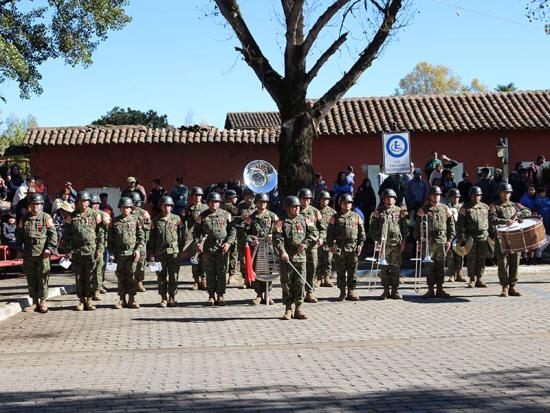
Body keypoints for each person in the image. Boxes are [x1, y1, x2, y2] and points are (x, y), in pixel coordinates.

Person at [272, 196, 318, 320]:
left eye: (298, 206)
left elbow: (314, 233)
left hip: (300, 257)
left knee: (300, 283)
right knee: (286, 283)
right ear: (287, 208)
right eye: (294, 206)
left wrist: (305, 243)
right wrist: (282, 252)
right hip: (286, 258)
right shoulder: (281, 222)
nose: (297, 208)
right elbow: (277, 238)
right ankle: (288, 308)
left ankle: (298, 308)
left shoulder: (305, 220)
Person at [63, 191, 106, 311]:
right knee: (79, 277)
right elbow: (66, 234)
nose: (84, 203)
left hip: (91, 250)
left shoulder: (95, 215)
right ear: (77, 203)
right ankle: (81, 300)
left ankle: (89, 300)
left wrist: (100, 249)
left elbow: (101, 233)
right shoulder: (72, 216)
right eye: (81, 201)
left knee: (90, 277)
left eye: (86, 201)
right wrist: (67, 249)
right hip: (77, 251)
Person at [15, 193, 57, 313]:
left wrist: (49, 248)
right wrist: (18, 249)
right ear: (29, 206)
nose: (35, 207)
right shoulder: (24, 218)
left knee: (43, 278)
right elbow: (19, 234)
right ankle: (34, 302)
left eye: (38, 204)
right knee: (31, 278)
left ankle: (43, 301)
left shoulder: (46, 217)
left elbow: (53, 234)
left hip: (42, 254)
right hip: (28, 254)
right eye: (33, 204)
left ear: (42, 205)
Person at [194, 192, 236, 306]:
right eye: (212, 202)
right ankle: (211, 295)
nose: (214, 204)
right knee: (210, 273)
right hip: (208, 248)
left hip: (222, 248)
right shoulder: (202, 216)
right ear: (208, 203)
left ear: (219, 203)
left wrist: (228, 243)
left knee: (222, 272)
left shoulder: (226, 215)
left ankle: (220, 295)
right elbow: (196, 232)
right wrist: (198, 243)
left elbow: (232, 231)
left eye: (216, 202)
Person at [489, 183, 531, 297]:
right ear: (500, 193)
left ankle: (512, 286)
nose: (506, 195)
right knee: (502, 263)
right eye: (504, 192)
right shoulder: (494, 205)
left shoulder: (515, 205)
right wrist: (504, 221)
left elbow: (527, 211)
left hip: (515, 237)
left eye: (508, 192)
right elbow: (491, 218)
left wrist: (517, 214)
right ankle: (504, 287)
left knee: (515, 262)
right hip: (501, 238)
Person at [415, 186, 455, 298]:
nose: (436, 197)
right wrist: (419, 241)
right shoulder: (423, 209)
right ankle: (430, 289)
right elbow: (418, 227)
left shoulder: (445, 208)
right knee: (429, 266)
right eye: (434, 195)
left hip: (442, 241)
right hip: (428, 241)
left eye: (438, 195)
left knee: (440, 265)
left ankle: (440, 289)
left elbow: (451, 225)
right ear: (430, 196)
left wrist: (449, 240)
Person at [369, 189, 407, 299]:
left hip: (396, 243)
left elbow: (404, 227)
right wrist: (377, 240)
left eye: (392, 198)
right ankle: (385, 290)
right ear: (384, 199)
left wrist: (404, 241)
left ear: (395, 200)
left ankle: (395, 290)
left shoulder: (400, 211)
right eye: (388, 197)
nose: (390, 200)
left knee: (396, 267)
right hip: (383, 243)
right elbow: (372, 228)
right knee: (384, 268)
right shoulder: (378, 211)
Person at [327, 193, 365, 301]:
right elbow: (329, 233)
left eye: (349, 203)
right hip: (340, 248)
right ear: (340, 204)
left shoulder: (356, 217)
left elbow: (362, 233)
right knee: (341, 271)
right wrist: (331, 246)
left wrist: (360, 245)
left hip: (353, 248)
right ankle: (342, 292)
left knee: (353, 270)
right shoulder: (335, 217)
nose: (347, 205)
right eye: (345, 203)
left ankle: (351, 291)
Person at [109, 197, 145, 309]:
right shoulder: (115, 221)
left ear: (131, 209)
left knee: (132, 276)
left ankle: (132, 299)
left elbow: (141, 237)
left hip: (132, 254)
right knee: (121, 277)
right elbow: (110, 239)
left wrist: (138, 249)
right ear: (120, 208)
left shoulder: (135, 220)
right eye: (123, 207)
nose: (125, 209)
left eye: (128, 207)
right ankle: (122, 299)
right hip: (119, 254)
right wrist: (111, 252)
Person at [244, 192, 279, 305]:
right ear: (256, 203)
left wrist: (272, 236)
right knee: (257, 270)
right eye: (260, 202)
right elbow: (245, 233)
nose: (263, 204)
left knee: (269, 270)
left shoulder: (273, 216)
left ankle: (268, 294)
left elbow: (279, 231)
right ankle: (259, 294)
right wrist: (251, 241)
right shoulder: (251, 217)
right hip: (256, 249)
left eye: (264, 202)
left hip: (269, 247)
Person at [149, 196, 184, 307]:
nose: (167, 208)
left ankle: (172, 298)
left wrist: (181, 251)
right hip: (160, 253)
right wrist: (151, 254)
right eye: (165, 205)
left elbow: (182, 236)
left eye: (169, 206)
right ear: (161, 207)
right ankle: (163, 298)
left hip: (174, 252)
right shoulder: (155, 220)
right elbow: (151, 238)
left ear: (172, 207)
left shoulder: (177, 219)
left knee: (174, 276)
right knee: (161, 276)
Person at [456, 186, 490, 288]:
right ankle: (471, 279)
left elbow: (490, 221)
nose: (477, 197)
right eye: (475, 195)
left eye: (479, 195)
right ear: (471, 196)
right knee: (471, 258)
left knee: (481, 258)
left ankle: (479, 278)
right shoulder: (465, 208)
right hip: (470, 236)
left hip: (483, 236)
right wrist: (460, 237)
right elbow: (460, 224)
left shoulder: (485, 207)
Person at [298, 188, 326, 303]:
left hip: (312, 246)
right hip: (299, 246)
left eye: (308, 199)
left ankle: (310, 292)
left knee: (312, 268)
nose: (306, 201)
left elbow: (322, 227)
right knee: (299, 269)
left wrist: (321, 238)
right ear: (300, 199)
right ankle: (300, 292)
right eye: (304, 198)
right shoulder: (295, 210)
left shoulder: (315, 212)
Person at [182, 187, 208, 290]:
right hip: (194, 237)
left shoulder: (206, 207)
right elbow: (182, 222)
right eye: (195, 195)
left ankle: (204, 279)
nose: (197, 197)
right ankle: (196, 280)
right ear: (192, 197)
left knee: (205, 258)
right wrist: (184, 233)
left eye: (199, 195)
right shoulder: (188, 209)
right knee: (195, 258)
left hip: (205, 237)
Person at [130, 192, 151, 293]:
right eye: (135, 202)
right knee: (130, 262)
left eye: (137, 202)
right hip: (130, 241)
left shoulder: (143, 213)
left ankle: (139, 282)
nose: (136, 204)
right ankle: (131, 282)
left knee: (141, 262)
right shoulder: (126, 211)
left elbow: (148, 227)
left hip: (142, 241)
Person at [91, 194, 111, 300]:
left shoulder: (102, 214)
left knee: (100, 266)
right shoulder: (87, 214)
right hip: (89, 245)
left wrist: (104, 216)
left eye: (97, 204)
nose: (95, 206)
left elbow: (108, 223)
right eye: (93, 204)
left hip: (101, 244)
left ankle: (98, 288)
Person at [235, 188, 256, 288]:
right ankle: (246, 279)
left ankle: (255, 279)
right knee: (243, 260)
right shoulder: (240, 206)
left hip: (253, 238)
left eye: (251, 196)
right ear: (244, 196)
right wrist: (241, 218)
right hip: (242, 237)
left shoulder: (257, 207)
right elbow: (233, 219)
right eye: (247, 196)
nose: (249, 198)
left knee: (254, 259)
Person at [316, 191, 336, 287]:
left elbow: (336, 226)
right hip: (318, 239)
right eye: (323, 199)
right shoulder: (315, 211)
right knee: (318, 259)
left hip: (329, 239)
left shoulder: (332, 212)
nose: (325, 201)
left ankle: (327, 278)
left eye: (327, 199)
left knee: (328, 259)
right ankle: (318, 278)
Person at [445, 188, 466, 282]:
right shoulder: (446, 207)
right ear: (450, 198)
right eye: (454, 197)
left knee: (460, 254)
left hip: (459, 233)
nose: (456, 199)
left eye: (457, 197)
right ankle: (451, 274)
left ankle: (459, 274)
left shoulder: (462, 207)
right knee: (450, 255)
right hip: (449, 233)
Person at [222, 189, 240, 282]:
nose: (236, 199)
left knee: (224, 254)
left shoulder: (221, 207)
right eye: (235, 197)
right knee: (233, 254)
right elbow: (238, 218)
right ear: (230, 198)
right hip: (232, 232)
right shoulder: (233, 208)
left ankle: (224, 273)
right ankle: (231, 274)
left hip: (223, 233)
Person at [534, 187, 550, 263]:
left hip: (548, 221)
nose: (544, 194)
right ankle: (538, 256)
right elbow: (535, 212)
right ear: (539, 193)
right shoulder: (536, 201)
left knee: (548, 238)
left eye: (544, 192)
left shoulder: (548, 199)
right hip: (542, 222)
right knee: (542, 238)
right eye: (542, 192)